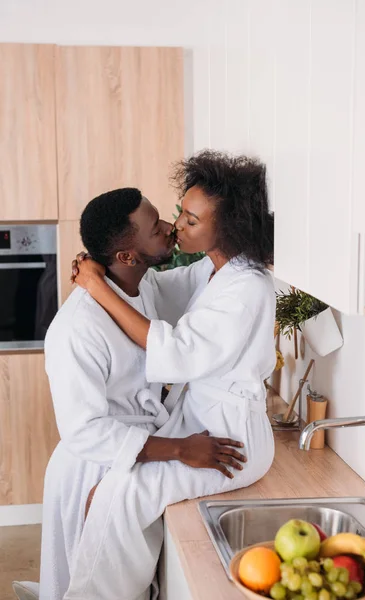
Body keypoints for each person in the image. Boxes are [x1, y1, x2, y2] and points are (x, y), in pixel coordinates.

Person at [64, 150, 276, 600]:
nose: (178, 225)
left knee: (120, 496)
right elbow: (156, 287)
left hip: (231, 443)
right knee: (112, 494)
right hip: (201, 421)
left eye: (191, 220)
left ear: (229, 229)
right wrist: (106, 270)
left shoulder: (247, 288)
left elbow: (175, 354)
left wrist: (97, 285)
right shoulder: (215, 271)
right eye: (181, 211)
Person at [18, 188, 246, 600]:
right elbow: (85, 432)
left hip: (139, 456)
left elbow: (208, 279)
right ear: (126, 256)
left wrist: (231, 232)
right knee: (91, 587)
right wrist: (179, 450)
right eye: (155, 226)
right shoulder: (76, 329)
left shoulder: (147, 286)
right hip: (95, 470)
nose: (169, 226)